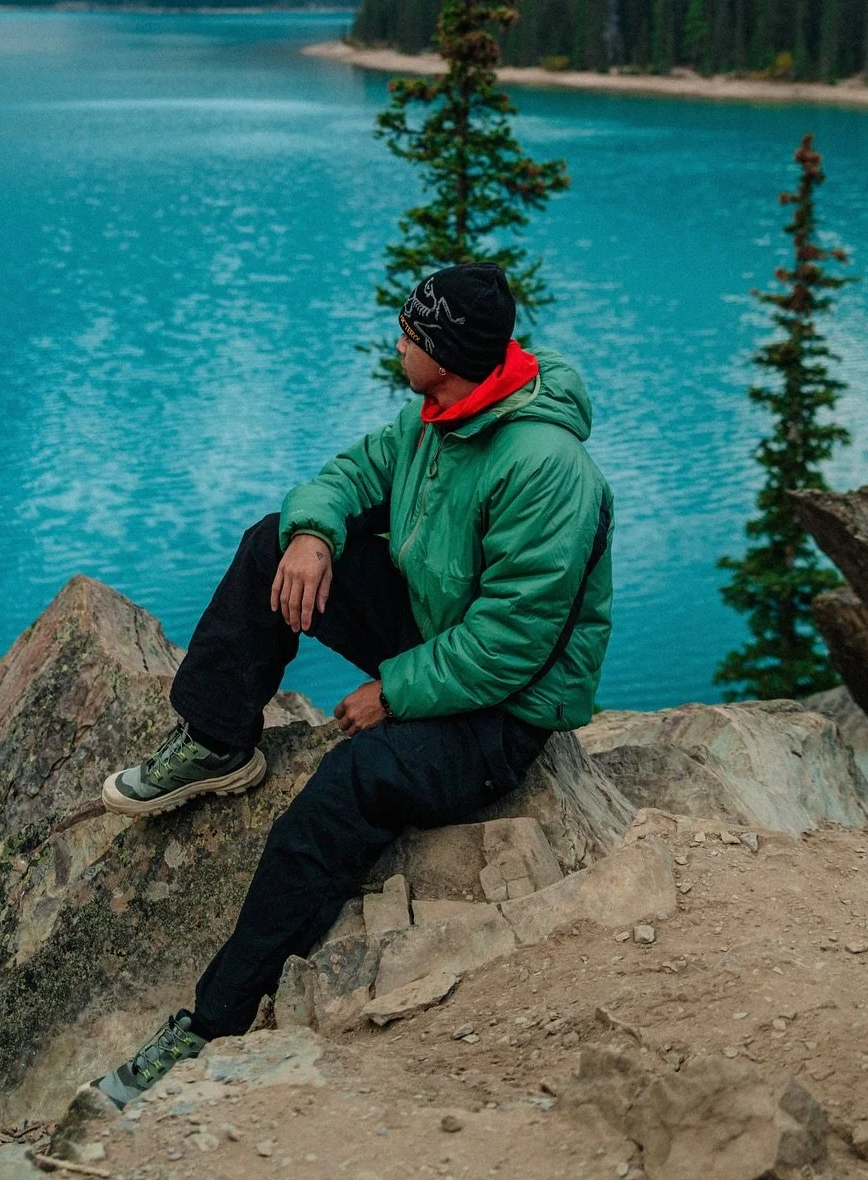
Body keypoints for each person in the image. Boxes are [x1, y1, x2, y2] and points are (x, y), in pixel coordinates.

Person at [89, 261, 613, 1105]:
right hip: (438, 636)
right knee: (272, 545)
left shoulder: (546, 468)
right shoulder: (436, 418)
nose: (397, 341)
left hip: (504, 711)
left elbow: (514, 645)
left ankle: (211, 1024)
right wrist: (314, 533)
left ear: (446, 355)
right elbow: (347, 478)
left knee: (348, 784)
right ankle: (220, 739)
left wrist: (393, 692)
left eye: (411, 334)